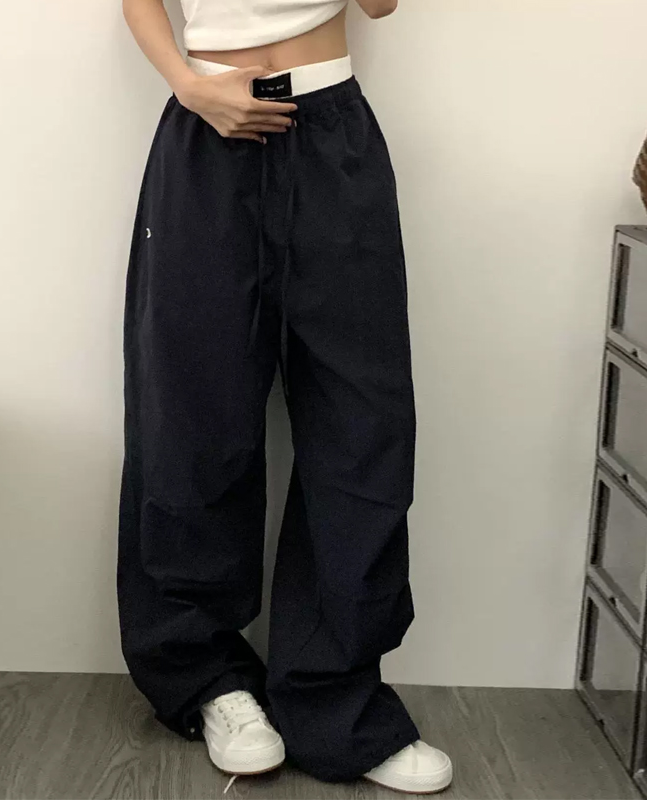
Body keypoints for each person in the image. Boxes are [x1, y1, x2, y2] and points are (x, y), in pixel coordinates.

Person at [117, 0, 453, 793]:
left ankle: (337, 699)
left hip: (331, 127)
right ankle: (208, 679)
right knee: (192, 416)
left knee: (360, 420)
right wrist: (187, 84)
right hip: (207, 130)